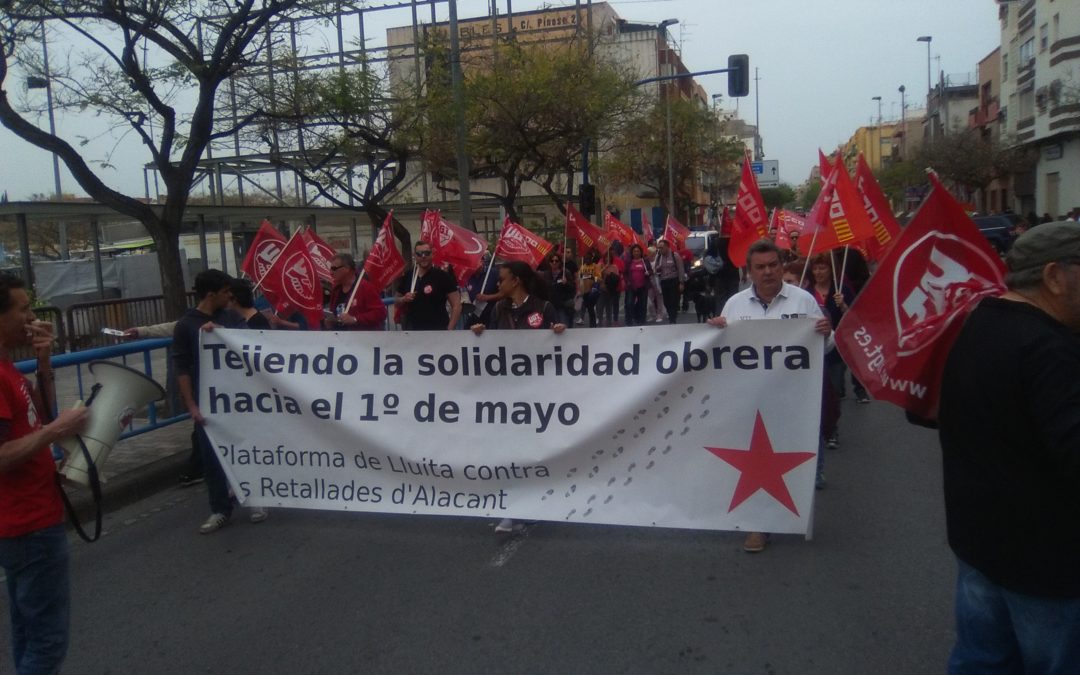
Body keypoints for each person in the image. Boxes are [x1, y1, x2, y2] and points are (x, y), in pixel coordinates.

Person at [937, 221, 1080, 671]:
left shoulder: (977, 322)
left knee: (981, 660)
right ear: (1054, 277)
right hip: (1044, 565)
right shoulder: (1048, 349)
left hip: (979, 544)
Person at [708, 240, 833, 553]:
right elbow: (720, 353)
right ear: (749, 272)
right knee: (756, 459)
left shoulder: (803, 301)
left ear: (781, 265)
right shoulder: (734, 306)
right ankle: (757, 525)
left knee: (790, 456)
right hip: (748, 399)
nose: (768, 272)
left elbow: (826, 349)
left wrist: (826, 333)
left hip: (793, 397)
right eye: (760, 267)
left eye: (773, 265)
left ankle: (791, 512)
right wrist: (714, 332)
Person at [0, 273, 89, 675]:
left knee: (28, 630)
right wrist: (58, 431)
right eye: (22, 309)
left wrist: (44, 362)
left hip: (31, 514)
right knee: (48, 642)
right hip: (28, 522)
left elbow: (38, 418)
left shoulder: (8, 367)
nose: (31, 317)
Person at [470, 261, 566, 533]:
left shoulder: (543, 308)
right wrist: (479, 334)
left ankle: (534, 501)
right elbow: (491, 346)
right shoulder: (498, 309)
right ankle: (512, 506)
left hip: (537, 392)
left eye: (501, 279)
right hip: (507, 392)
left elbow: (562, 348)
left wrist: (559, 332)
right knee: (508, 447)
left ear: (517, 281)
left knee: (533, 448)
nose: (497, 285)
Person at [173, 269, 244, 534]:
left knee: (245, 451)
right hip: (209, 403)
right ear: (211, 294)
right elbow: (181, 368)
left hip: (239, 401)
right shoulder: (186, 326)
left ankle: (254, 497)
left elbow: (251, 345)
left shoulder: (231, 318)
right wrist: (192, 406)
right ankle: (219, 509)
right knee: (212, 458)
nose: (230, 296)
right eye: (226, 292)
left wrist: (223, 333)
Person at [395, 242, 462, 331]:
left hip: (438, 330)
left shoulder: (442, 276)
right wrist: (404, 298)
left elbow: (456, 304)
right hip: (413, 331)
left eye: (427, 253)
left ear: (432, 254)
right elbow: (396, 300)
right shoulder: (408, 276)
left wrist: (450, 329)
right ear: (414, 256)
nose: (423, 256)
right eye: (419, 254)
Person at [325, 253, 387, 331]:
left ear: (347, 269)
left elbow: (381, 313)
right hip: (340, 339)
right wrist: (331, 321)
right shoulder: (336, 289)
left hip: (361, 339)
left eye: (334, 268)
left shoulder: (365, 287)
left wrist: (355, 319)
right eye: (330, 269)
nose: (331, 272)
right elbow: (334, 313)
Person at [653, 239, 685, 324]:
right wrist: (657, 268)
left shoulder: (675, 256)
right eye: (658, 248)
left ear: (667, 247)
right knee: (666, 302)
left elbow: (680, 269)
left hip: (673, 281)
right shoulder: (659, 257)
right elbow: (655, 269)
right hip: (664, 281)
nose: (660, 249)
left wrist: (681, 283)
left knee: (674, 301)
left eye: (662, 247)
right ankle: (671, 316)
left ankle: (672, 319)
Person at [624, 244, 653, 326]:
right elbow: (625, 273)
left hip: (643, 286)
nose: (636, 253)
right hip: (631, 287)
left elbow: (651, 270)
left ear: (640, 252)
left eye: (638, 251)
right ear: (632, 252)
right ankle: (629, 320)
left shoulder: (645, 261)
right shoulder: (629, 262)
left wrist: (649, 273)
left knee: (642, 304)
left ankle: (642, 320)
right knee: (629, 303)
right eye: (634, 251)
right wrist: (628, 282)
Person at [597, 248, 625, 327]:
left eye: (609, 257)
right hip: (601, 290)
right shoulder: (600, 265)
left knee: (609, 307)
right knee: (600, 307)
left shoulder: (614, 267)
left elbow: (617, 278)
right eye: (606, 257)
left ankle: (609, 324)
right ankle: (600, 323)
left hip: (610, 290)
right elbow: (596, 277)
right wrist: (604, 269)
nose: (607, 258)